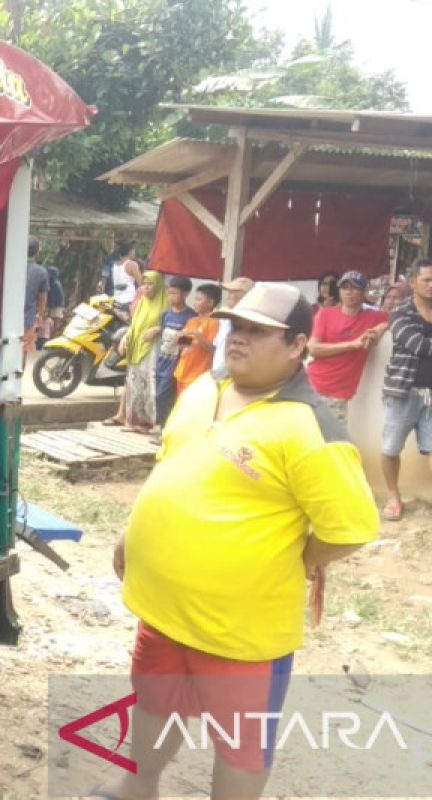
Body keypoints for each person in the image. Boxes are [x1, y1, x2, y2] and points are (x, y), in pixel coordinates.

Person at [101, 282, 378, 800]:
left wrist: (298, 558)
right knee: (155, 702)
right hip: (164, 610)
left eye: (259, 331)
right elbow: (171, 462)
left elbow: (353, 528)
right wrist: (134, 529)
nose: (239, 338)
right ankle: (136, 786)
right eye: (238, 325)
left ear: (297, 346)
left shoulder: (311, 429)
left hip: (241, 632)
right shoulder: (205, 387)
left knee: (240, 743)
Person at [379, 259, 432, 522]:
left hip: (431, 394)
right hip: (403, 391)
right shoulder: (401, 312)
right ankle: (393, 496)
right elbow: (418, 345)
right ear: (413, 283)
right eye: (427, 280)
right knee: (391, 448)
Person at [307, 270, 390, 426]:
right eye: (344, 288)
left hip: (339, 394)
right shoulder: (325, 314)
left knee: (334, 442)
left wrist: (380, 328)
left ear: (364, 292)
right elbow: (313, 348)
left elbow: (395, 318)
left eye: (354, 288)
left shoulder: (373, 317)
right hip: (312, 384)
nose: (348, 292)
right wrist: (352, 344)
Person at [119, 271, 166, 433]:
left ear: (158, 286)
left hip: (153, 347)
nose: (146, 287)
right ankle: (135, 421)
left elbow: (170, 325)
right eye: (144, 283)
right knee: (135, 382)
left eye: (150, 283)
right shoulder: (142, 302)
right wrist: (125, 337)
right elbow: (134, 324)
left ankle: (151, 422)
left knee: (150, 382)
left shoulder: (164, 304)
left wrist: (157, 329)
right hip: (136, 346)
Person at [154, 276, 196, 428]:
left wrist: (181, 338)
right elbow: (162, 333)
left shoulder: (191, 316)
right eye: (169, 293)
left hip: (176, 363)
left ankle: (166, 428)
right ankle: (164, 426)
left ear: (185, 294)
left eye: (174, 293)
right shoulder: (166, 314)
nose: (171, 297)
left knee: (162, 396)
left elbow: (188, 343)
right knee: (158, 396)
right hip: (161, 360)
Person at [172, 282, 222, 396]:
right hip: (183, 371)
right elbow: (185, 345)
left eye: (198, 299)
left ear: (210, 302)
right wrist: (178, 340)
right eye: (195, 299)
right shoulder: (192, 321)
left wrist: (197, 334)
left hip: (198, 374)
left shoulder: (214, 322)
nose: (194, 303)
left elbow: (212, 349)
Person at [211, 276, 255, 378]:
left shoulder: (251, 322)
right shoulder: (224, 318)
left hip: (235, 376)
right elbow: (216, 347)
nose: (230, 295)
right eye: (230, 292)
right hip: (218, 373)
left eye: (235, 292)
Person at [22, 239, 49, 355]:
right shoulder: (41, 272)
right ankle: (18, 372)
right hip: (27, 318)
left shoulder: (10, 266)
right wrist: (41, 316)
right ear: (37, 252)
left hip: (4, 317)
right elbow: (42, 297)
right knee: (23, 350)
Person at [110, 240, 141, 309]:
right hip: (129, 300)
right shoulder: (132, 264)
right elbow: (141, 283)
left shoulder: (115, 265)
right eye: (134, 250)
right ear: (130, 252)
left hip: (116, 300)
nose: (134, 253)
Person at [46, 265, 66, 337]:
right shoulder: (54, 282)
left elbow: (53, 297)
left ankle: (52, 338)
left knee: (53, 323)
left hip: (56, 306)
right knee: (52, 323)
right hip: (56, 305)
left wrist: (49, 307)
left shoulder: (54, 284)